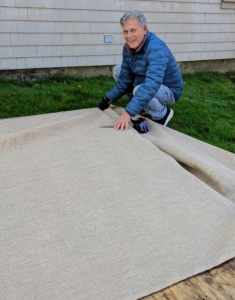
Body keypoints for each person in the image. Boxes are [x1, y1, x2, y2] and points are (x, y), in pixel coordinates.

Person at [98, 10, 184, 131]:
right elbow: (124, 80)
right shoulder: (128, 48)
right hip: (147, 82)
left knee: (140, 89)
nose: (129, 36)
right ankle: (143, 107)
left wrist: (128, 113)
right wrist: (108, 99)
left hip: (169, 90)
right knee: (118, 70)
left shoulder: (156, 48)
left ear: (144, 29)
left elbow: (152, 84)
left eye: (133, 30)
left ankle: (162, 114)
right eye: (126, 31)